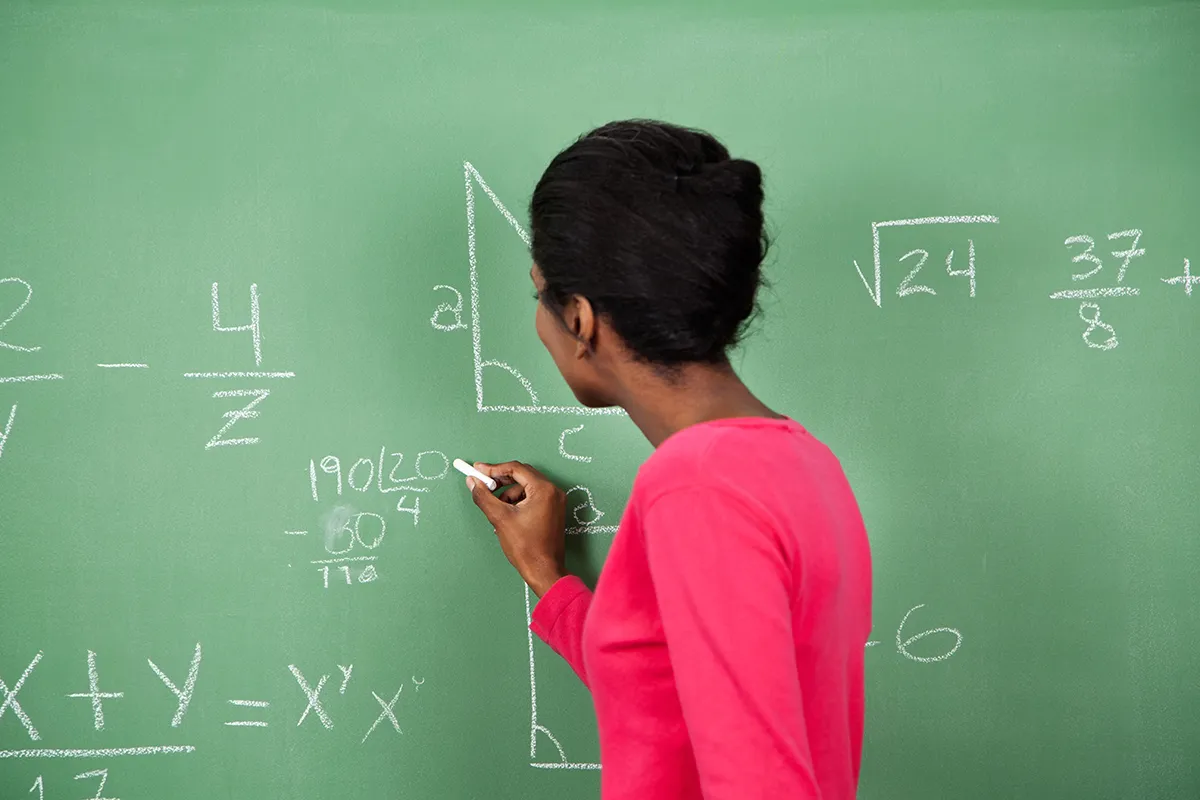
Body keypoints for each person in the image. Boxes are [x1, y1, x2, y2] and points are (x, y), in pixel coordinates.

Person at [463, 120, 872, 799]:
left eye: (540, 293)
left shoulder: (697, 486)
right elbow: (670, 694)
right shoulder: (801, 462)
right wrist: (548, 576)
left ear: (580, 319)